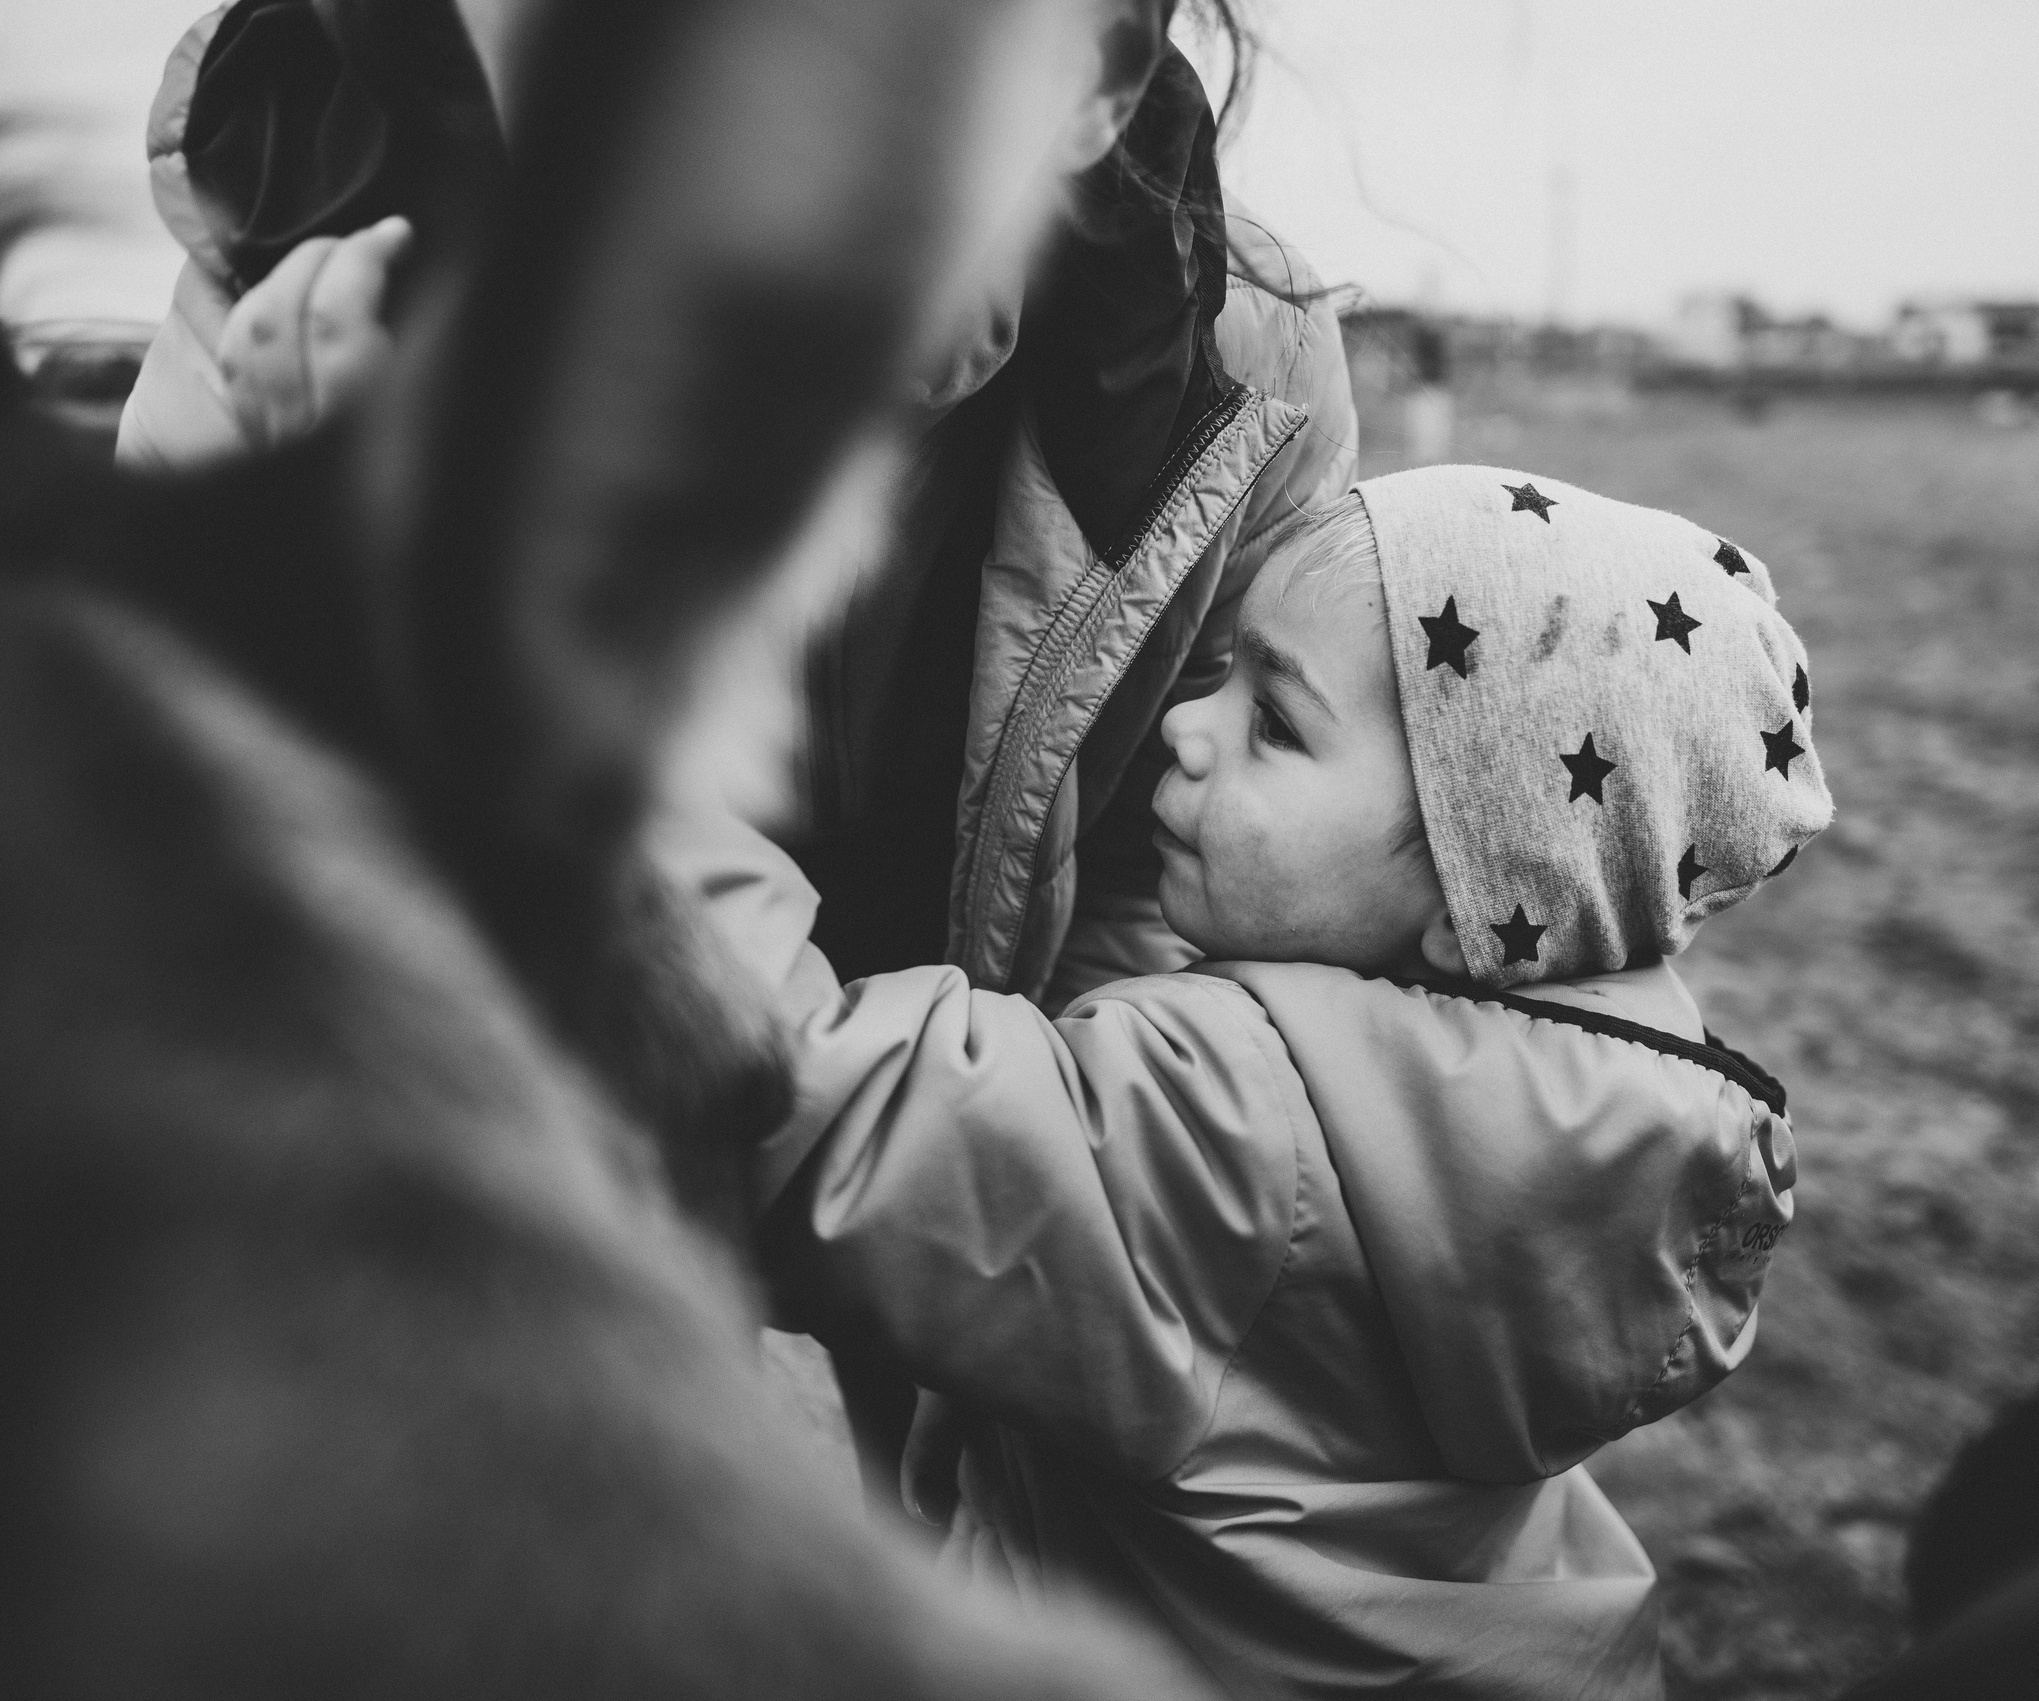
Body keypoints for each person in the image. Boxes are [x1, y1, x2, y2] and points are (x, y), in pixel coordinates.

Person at [108, 0, 1361, 1496]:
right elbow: (203, 1010)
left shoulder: (1238, 352)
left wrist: (1012, 1336)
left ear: (1091, 73)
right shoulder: (311, 265)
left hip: (983, 1138)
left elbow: (1166, 929)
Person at [713, 467, 1831, 1701]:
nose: (1189, 724)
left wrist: (607, 800)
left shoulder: (1240, 1128)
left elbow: (815, 1111)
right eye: (1226, 668)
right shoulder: (1605, 1100)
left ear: (1481, 901)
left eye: (1276, 722)